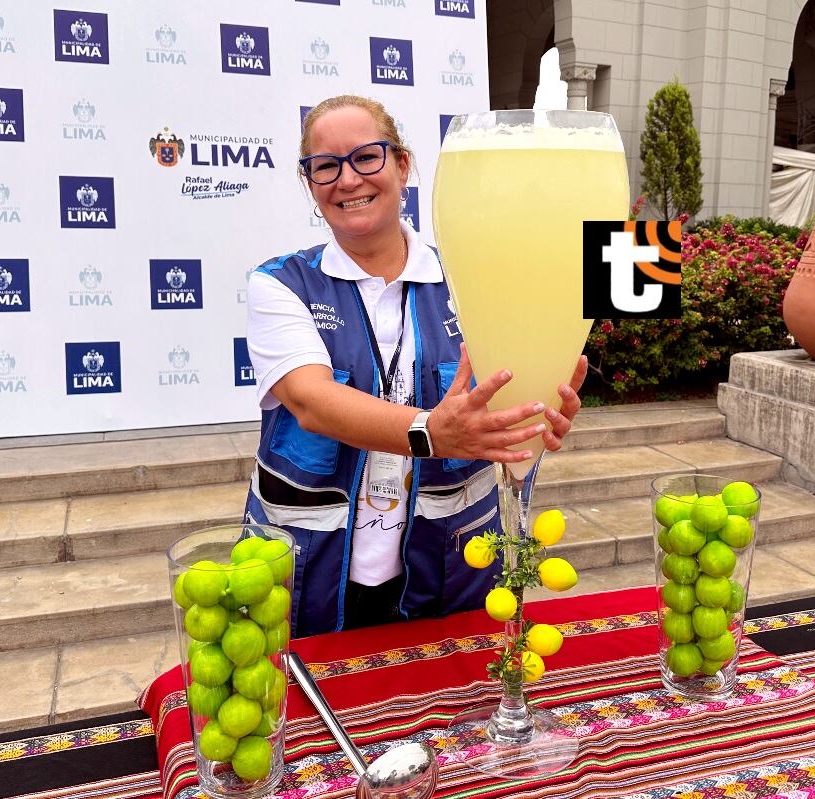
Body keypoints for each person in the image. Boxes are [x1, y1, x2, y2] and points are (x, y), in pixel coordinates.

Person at [243, 95, 586, 637]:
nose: (348, 179)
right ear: (309, 183)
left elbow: (516, 378)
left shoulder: (474, 273)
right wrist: (433, 432)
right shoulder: (279, 283)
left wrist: (537, 415)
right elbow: (310, 401)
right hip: (308, 574)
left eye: (367, 157)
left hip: (450, 570)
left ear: (403, 164)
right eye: (326, 166)